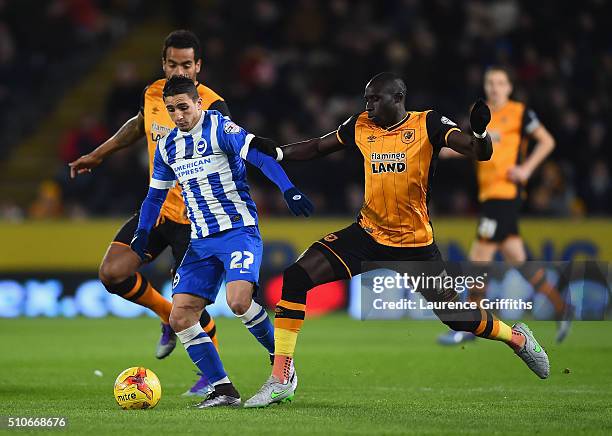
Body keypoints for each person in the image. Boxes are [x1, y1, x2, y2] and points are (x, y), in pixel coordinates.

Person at [244, 72, 550, 408]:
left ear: (398, 97)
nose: (368, 106)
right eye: (366, 99)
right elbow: (318, 146)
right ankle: (281, 377)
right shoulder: (361, 124)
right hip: (367, 234)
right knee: (296, 276)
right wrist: (279, 154)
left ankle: (517, 338)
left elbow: (478, 152)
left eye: (375, 99)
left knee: (460, 318)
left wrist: (478, 132)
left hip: (414, 245)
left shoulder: (428, 123)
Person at [131, 75, 312, 408]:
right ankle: (223, 389)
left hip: (237, 231)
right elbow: (154, 198)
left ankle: (282, 365)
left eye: (183, 107)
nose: (178, 115)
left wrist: (288, 188)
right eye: (171, 109)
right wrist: (141, 233)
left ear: (199, 103)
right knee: (180, 316)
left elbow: (258, 156)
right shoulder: (168, 146)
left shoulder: (221, 127)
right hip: (200, 241)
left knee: (239, 301)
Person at [68, 30, 228, 396]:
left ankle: (212, 377)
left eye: (186, 64)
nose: (178, 70)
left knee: (187, 306)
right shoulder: (154, 93)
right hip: (158, 212)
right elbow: (139, 125)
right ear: (164, 63)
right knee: (112, 273)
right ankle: (163, 315)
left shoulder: (214, 106)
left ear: (198, 66)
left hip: (199, 220)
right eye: (172, 63)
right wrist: (99, 153)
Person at [437, 66, 570, 346]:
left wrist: (526, 170)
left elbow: (547, 141)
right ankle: (563, 307)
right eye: (490, 82)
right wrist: (446, 152)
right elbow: (474, 147)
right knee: (519, 262)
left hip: (504, 195)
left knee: (478, 260)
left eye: (500, 82)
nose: (495, 87)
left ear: (509, 87)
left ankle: (468, 326)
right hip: (490, 196)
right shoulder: (481, 113)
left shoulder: (521, 113)